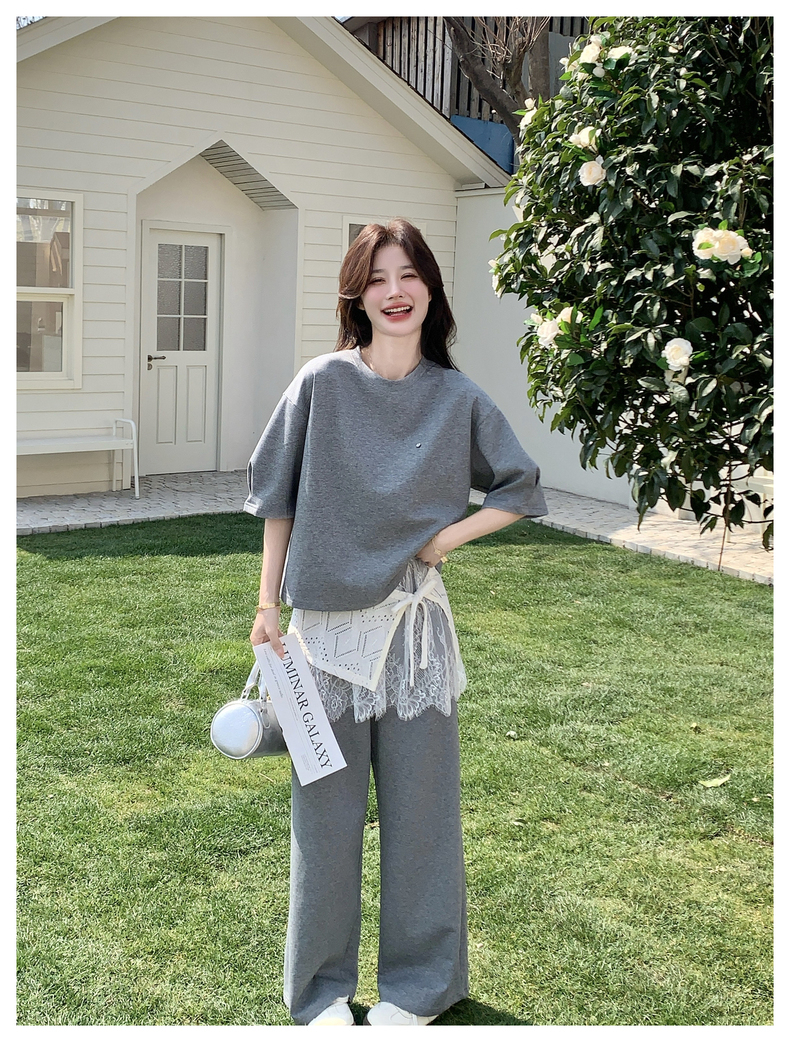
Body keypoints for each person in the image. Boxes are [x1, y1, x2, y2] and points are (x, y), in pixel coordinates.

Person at [244, 219, 548, 1026]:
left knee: (423, 822)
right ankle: (320, 994)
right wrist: (267, 604)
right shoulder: (321, 383)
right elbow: (276, 498)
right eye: (377, 277)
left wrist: (445, 539)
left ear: (431, 290)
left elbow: (520, 487)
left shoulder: (457, 397)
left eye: (409, 274)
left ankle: (420, 990)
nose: (395, 291)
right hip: (325, 638)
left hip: (415, 637)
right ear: (357, 295)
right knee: (324, 823)